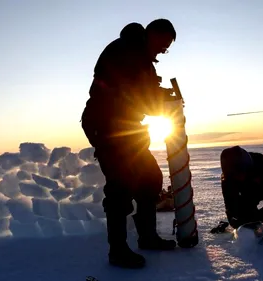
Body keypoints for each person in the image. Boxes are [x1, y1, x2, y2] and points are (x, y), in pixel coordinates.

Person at [80, 19, 177, 269]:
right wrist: (160, 101)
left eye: (166, 49)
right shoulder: (126, 51)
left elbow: (141, 93)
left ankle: (147, 237)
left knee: (150, 178)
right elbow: (130, 94)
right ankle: (118, 251)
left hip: (126, 127)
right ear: (153, 35)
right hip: (107, 125)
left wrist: (163, 96)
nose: (162, 52)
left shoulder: (139, 56)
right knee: (120, 186)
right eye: (163, 45)